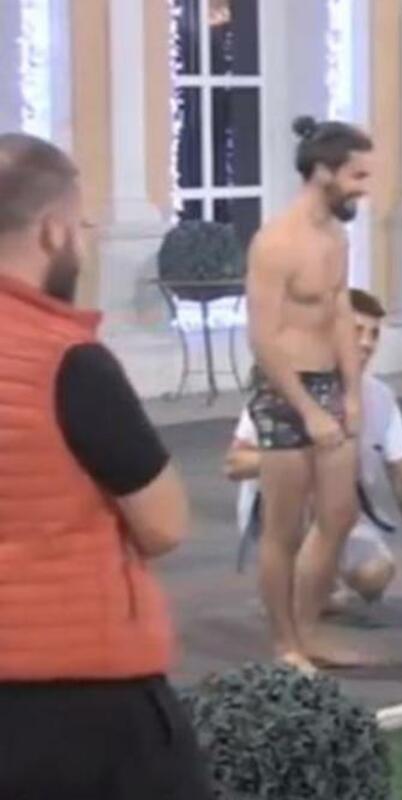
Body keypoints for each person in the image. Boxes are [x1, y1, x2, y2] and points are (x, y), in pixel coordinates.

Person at [0, 134, 211, 797]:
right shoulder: (69, 361)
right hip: (83, 699)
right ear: (53, 230)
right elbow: (164, 525)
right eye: (82, 226)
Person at [245, 115, 373, 672]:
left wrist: (351, 392)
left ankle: (309, 629)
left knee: (339, 515)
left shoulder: (336, 237)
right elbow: (263, 337)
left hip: (328, 384)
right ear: (323, 172)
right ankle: (285, 645)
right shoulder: (276, 242)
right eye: (356, 176)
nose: (363, 188)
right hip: (284, 391)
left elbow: (340, 313)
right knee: (285, 527)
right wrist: (307, 409)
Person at [227, 288, 402, 610]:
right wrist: (296, 456)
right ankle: (294, 581)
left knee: (375, 575)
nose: (367, 343)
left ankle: (320, 581)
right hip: (282, 512)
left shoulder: (381, 398)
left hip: (342, 511)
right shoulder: (287, 387)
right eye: (357, 331)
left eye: (374, 334)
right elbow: (234, 463)